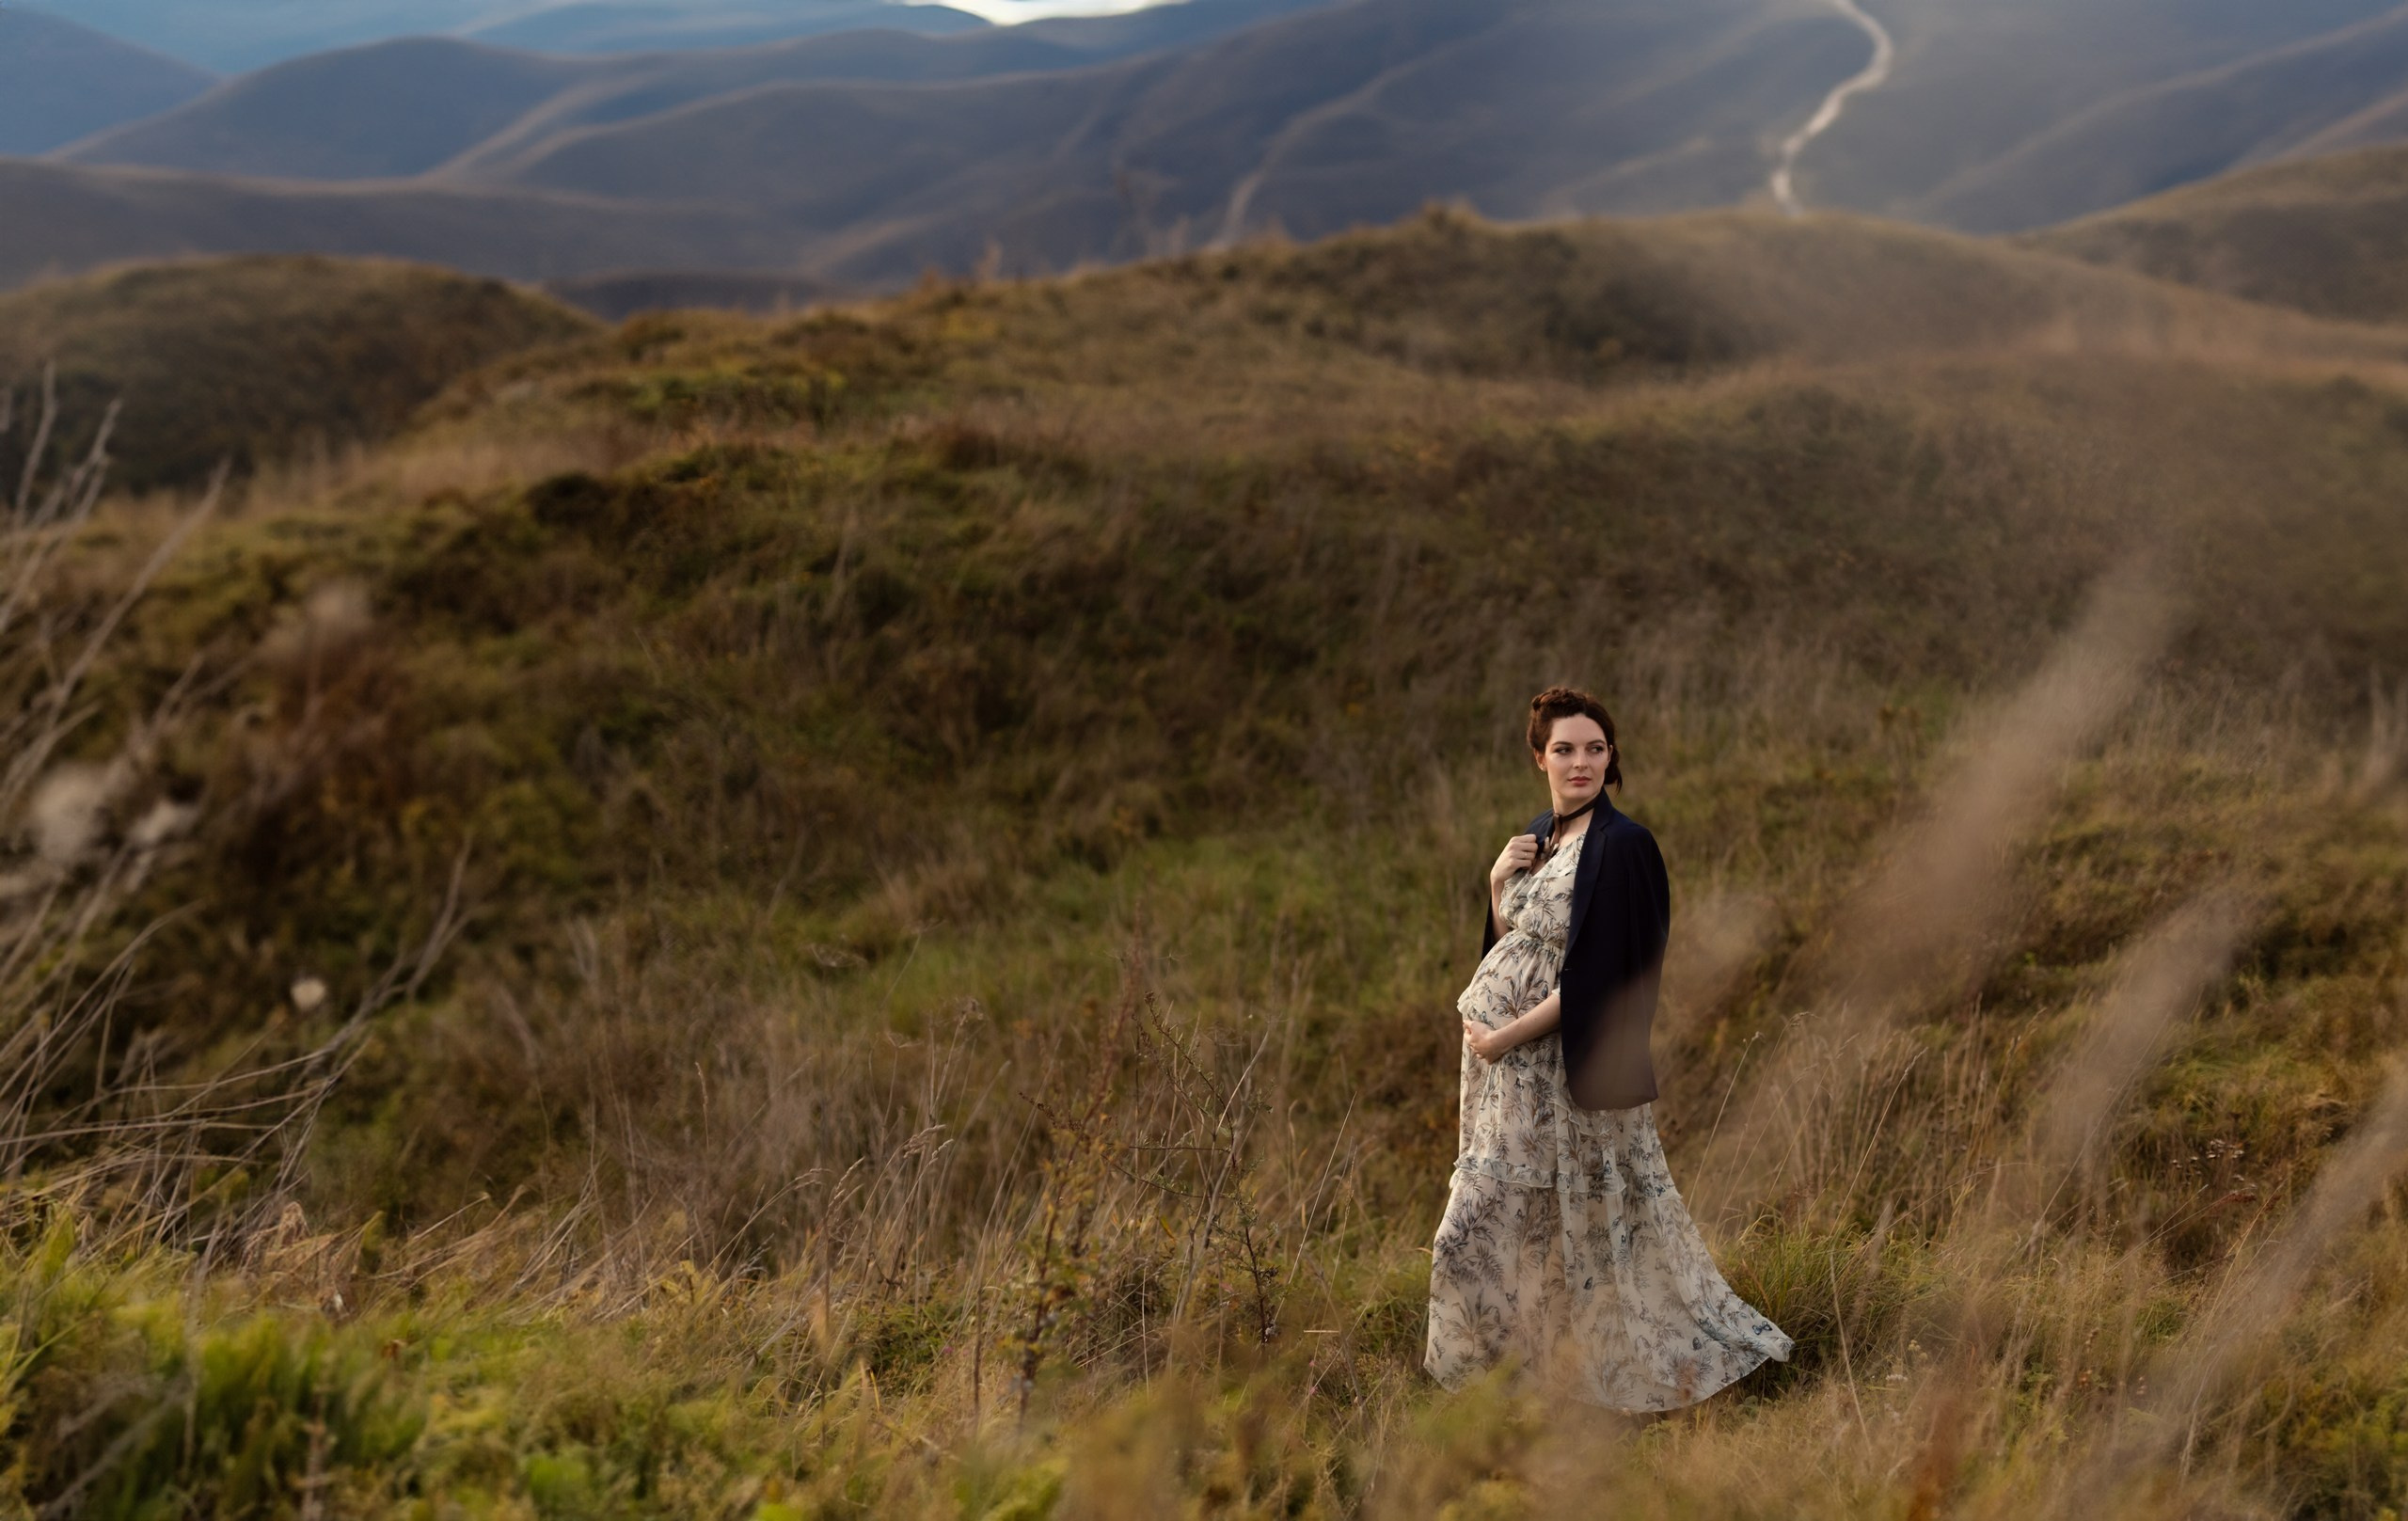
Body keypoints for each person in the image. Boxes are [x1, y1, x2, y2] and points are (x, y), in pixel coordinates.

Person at [1425, 685, 1791, 1410]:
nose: (1581, 761)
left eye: (1596, 747)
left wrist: (1505, 1036)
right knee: (1502, 1233)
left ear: (1611, 755)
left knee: (1586, 1239)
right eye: (1565, 748)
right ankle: (1508, 1386)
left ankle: (1610, 1377)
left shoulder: (1625, 847)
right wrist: (1497, 879)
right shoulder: (1538, 835)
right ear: (1539, 757)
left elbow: (1609, 976)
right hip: (1508, 1083)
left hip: (1568, 1078)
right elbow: (1516, 945)